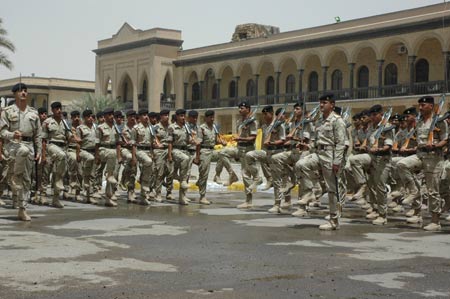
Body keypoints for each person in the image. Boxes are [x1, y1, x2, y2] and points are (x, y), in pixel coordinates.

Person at [296, 94, 346, 230]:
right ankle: (315, 189)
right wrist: (306, 147)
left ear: (332, 105)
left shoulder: (337, 121)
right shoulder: (319, 121)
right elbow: (317, 142)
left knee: (332, 190)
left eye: (324, 102)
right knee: (301, 164)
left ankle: (334, 220)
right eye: (320, 103)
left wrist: (337, 161)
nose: (321, 105)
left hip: (331, 155)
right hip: (319, 153)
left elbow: (341, 143)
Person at [397, 96, 448, 231]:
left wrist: (436, 146)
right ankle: (414, 191)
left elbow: (445, 139)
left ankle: (435, 221)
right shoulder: (419, 121)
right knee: (402, 164)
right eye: (419, 105)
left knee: (433, 191)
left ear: (431, 106)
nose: (420, 108)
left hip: (433, 158)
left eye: (423, 105)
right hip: (420, 155)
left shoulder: (439, 120)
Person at [0, 83, 42, 221]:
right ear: (14, 94)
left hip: (29, 145)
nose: (23, 93)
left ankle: (22, 209)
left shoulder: (33, 113)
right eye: (20, 91)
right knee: (22, 151)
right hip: (13, 146)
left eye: (25, 90)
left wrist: (39, 151)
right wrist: (13, 135)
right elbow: (2, 132)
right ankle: (14, 176)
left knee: (27, 179)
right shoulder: (7, 111)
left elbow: (38, 135)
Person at [42, 102, 77, 209]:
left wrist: (74, 136)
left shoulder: (64, 123)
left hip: (62, 148)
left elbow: (69, 137)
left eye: (60, 108)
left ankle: (56, 198)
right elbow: (43, 140)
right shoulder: (47, 122)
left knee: (59, 173)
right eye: (56, 108)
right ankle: (42, 195)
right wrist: (43, 155)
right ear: (52, 110)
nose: (59, 110)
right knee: (46, 172)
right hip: (51, 147)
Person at [195, 110, 227, 204]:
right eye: (210, 117)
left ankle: (217, 175)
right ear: (206, 118)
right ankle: (202, 196)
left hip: (212, 150)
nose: (212, 119)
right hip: (204, 151)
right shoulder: (201, 128)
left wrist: (222, 142)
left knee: (223, 153)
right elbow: (198, 144)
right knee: (204, 174)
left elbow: (216, 140)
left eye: (213, 117)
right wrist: (197, 157)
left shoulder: (214, 127)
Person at [95, 108, 121, 207]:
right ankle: (108, 176)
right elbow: (97, 144)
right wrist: (97, 156)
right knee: (111, 154)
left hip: (113, 150)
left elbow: (118, 143)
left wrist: (119, 156)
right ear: (105, 116)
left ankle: (108, 198)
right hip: (103, 149)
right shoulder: (100, 128)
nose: (111, 117)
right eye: (109, 115)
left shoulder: (116, 128)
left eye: (112, 115)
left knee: (113, 173)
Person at [167, 109, 192, 205]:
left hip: (185, 150)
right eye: (181, 116)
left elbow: (189, 140)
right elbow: (170, 142)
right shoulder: (172, 127)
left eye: (184, 116)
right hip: (175, 150)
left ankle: (182, 197)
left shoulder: (186, 127)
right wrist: (169, 155)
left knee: (185, 175)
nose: (183, 117)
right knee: (184, 161)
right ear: (177, 117)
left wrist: (194, 141)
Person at [76, 109, 99, 204]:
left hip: (93, 152)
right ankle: (79, 191)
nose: (91, 118)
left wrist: (98, 155)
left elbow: (98, 143)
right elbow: (78, 142)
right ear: (85, 118)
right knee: (82, 173)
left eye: (92, 116)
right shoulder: (80, 128)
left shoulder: (95, 128)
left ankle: (89, 195)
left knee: (92, 175)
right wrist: (78, 154)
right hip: (84, 151)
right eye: (88, 117)